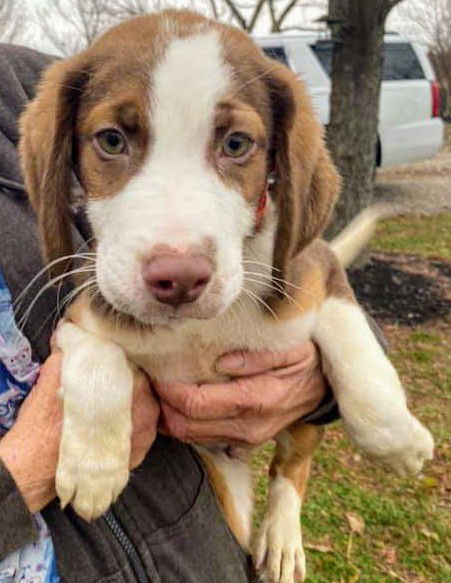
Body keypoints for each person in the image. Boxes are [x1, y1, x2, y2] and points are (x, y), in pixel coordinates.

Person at [0, 43, 338, 582]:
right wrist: (21, 473)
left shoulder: (20, 83)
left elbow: (312, 265)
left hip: (195, 545)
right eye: (112, 141)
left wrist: (320, 373)